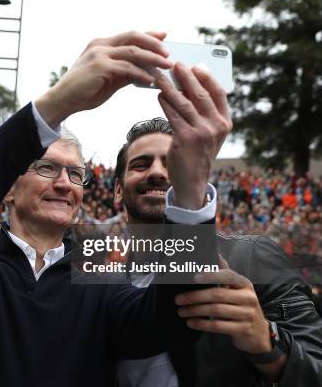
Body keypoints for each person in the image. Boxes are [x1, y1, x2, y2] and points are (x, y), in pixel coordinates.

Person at [0, 30, 231, 386]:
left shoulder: (102, 283)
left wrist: (191, 188)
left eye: (75, 174)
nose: (63, 183)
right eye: (46, 168)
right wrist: (56, 104)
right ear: (9, 189)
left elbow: (174, 319)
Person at [113, 117, 322, 386]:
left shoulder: (251, 255)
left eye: (172, 164)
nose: (157, 172)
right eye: (141, 164)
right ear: (118, 189)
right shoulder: (99, 275)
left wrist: (268, 342)